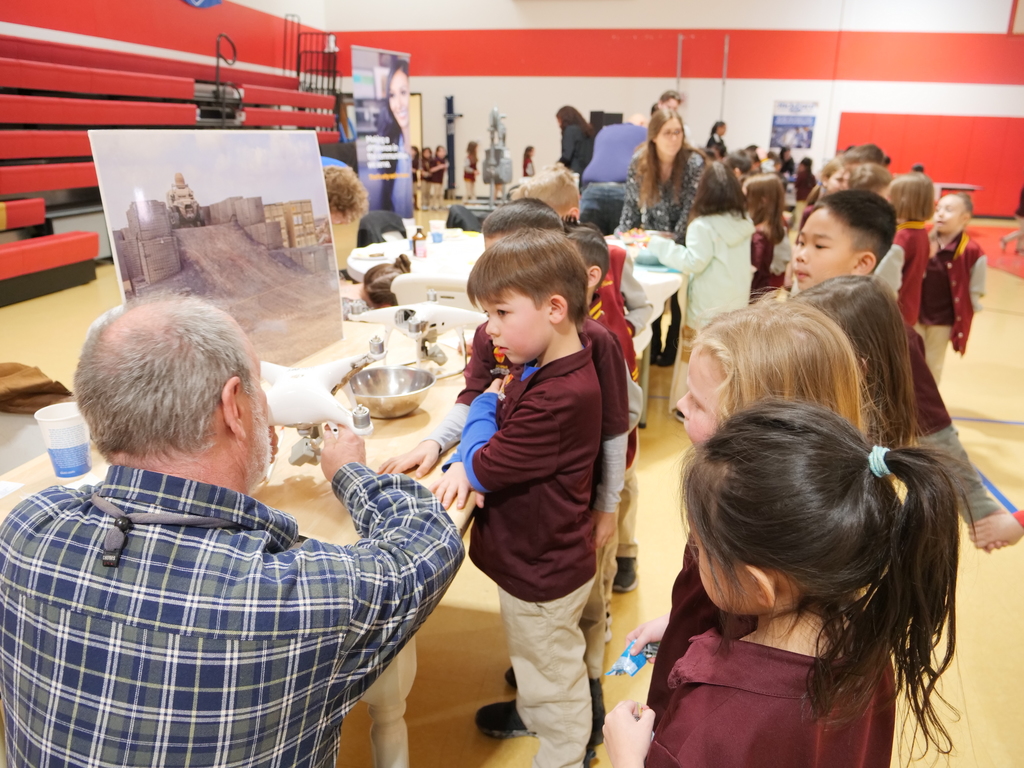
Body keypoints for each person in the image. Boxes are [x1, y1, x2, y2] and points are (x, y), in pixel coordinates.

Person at [0, 297, 465, 767]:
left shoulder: (24, 531)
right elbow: (428, 539)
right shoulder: (302, 597)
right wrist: (349, 472)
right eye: (257, 387)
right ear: (232, 408)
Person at [605, 400, 960, 768]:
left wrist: (628, 760)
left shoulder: (709, 722)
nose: (697, 555)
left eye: (702, 549)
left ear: (759, 587)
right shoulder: (866, 648)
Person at [623, 299, 867, 726]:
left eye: (698, 403)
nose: (679, 405)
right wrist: (679, 622)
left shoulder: (762, 547)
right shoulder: (739, 504)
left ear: (760, 432)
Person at [431, 230, 606, 768]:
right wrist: (490, 408)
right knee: (545, 663)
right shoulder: (550, 365)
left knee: (552, 679)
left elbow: (484, 462)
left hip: (541, 572)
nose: (491, 328)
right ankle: (543, 720)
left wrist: (483, 408)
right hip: (548, 556)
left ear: (555, 308)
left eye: (502, 313)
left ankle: (564, 754)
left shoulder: (556, 398)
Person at [792, 189, 1014, 537]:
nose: (800, 256)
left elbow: (935, 429)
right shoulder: (791, 313)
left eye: (819, 247)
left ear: (862, 262)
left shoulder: (885, 333)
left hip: (834, 496)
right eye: (800, 242)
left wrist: (981, 510)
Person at [645, 162, 754, 405]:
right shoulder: (743, 222)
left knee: (696, 354)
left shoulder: (703, 226)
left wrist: (657, 244)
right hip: (736, 300)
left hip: (707, 305)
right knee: (727, 356)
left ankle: (689, 404)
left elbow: (693, 262)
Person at [513, 166, 655, 338]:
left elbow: (642, 307)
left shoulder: (614, 257)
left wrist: (625, 330)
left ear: (572, 215)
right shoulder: (535, 263)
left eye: (544, 225)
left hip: (612, 360)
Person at [618, 109, 706, 364]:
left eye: (677, 132)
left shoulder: (693, 163)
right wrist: (624, 235)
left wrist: (673, 245)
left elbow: (690, 208)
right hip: (652, 237)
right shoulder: (640, 160)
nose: (674, 138)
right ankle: (654, 343)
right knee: (649, 295)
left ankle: (671, 351)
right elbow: (631, 205)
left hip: (684, 239)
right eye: (668, 132)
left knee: (678, 300)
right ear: (654, 136)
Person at [917, 192, 987, 383]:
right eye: (938, 209)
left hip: (942, 319)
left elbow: (976, 286)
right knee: (910, 362)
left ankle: (927, 410)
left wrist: (970, 308)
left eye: (948, 210)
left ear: (965, 218)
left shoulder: (971, 250)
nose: (940, 214)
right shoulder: (924, 240)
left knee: (932, 364)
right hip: (915, 314)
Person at [579, 120, 648, 235]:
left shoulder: (604, 131)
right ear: (641, 123)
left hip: (592, 189)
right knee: (621, 242)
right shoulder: (644, 132)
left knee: (588, 244)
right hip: (622, 189)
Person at [888, 171, 935, 326]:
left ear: (903, 201)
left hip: (895, 311)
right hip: (910, 308)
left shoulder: (903, 237)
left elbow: (886, 282)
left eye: (891, 197)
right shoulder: (921, 233)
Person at [376, 58, 413, 216]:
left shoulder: (409, 148)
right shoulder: (388, 145)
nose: (398, 104)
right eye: (392, 95)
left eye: (403, 92)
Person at [744, 173, 787, 296]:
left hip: (752, 295)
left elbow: (752, 267)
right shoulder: (771, 227)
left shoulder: (759, 233)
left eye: (747, 197)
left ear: (763, 200)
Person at [800, 156, 848, 231]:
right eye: (839, 180)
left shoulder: (851, 216)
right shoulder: (811, 212)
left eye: (848, 181)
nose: (845, 186)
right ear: (825, 180)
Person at [556, 106, 596, 176]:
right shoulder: (587, 131)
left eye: (559, 121)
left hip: (574, 172)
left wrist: (555, 166)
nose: (559, 124)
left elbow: (567, 156)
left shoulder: (570, 130)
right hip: (588, 171)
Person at [999, 173, 1024, 254]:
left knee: (1023, 230)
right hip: (1021, 213)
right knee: (1023, 231)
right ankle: (1005, 239)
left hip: (1021, 212)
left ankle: (1019, 248)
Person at [428, 145, 449, 211]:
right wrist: (440, 167)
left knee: (441, 193)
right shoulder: (434, 160)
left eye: (444, 151)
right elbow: (431, 170)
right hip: (435, 179)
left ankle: (441, 205)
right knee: (435, 193)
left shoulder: (443, 160)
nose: (443, 153)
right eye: (441, 151)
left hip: (441, 179)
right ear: (437, 152)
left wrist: (444, 167)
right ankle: (432, 206)